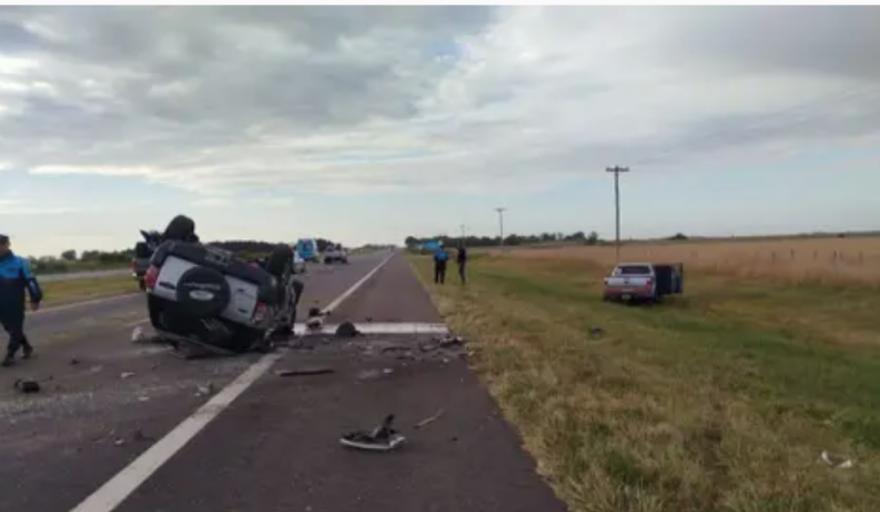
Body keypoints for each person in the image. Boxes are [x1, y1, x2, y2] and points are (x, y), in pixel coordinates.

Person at [0, 234, 42, 367]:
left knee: (16, 327)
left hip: (15, 302)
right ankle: (27, 346)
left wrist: (35, 298)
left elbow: (31, 282)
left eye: (1, 244)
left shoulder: (21, 262)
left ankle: (10, 354)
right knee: (10, 328)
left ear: (7, 245)